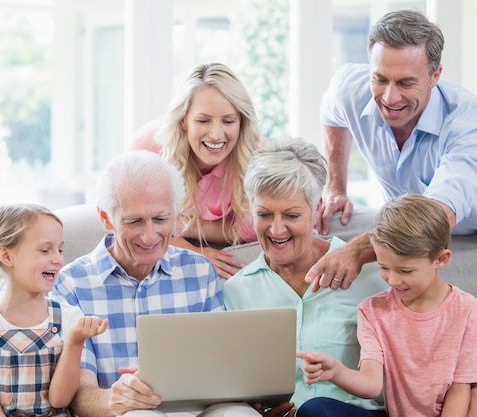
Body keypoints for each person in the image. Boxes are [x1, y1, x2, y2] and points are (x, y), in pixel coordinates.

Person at [307, 9, 477, 290]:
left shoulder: (470, 124)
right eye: (380, 79)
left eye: (406, 83)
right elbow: (332, 113)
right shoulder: (350, 88)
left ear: (435, 75)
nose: (389, 97)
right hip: (404, 235)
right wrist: (335, 187)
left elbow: (435, 217)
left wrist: (358, 250)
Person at [50, 150, 255, 417]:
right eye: (134, 221)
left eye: (160, 219)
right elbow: (80, 395)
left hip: (196, 409)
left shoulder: (199, 271)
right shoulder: (71, 284)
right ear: (105, 218)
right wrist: (113, 399)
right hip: (125, 413)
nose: (149, 236)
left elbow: (222, 364)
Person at [223, 137, 389, 417]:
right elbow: (232, 381)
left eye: (291, 215)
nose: (276, 230)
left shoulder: (371, 276)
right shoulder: (236, 291)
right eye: (264, 214)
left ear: (316, 210)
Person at [297, 194, 477, 417]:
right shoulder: (372, 311)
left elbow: (461, 391)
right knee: (314, 410)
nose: (393, 280)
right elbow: (372, 384)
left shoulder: (467, 310)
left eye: (405, 271)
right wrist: (336, 372)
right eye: (384, 267)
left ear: (441, 259)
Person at [0, 204, 108, 417]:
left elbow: (60, 400)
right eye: (45, 250)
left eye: (60, 249)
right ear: (6, 256)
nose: (58, 259)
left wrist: (75, 341)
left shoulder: (69, 317)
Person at [131, 63, 263, 279]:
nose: (216, 134)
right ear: (183, 120)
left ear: (241, 122)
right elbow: (130, 223)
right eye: (203, 120)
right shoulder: (147, 148)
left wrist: (184, 225)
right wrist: (192, 251)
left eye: (228, 121)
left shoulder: (253, 154)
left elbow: (252, 228)